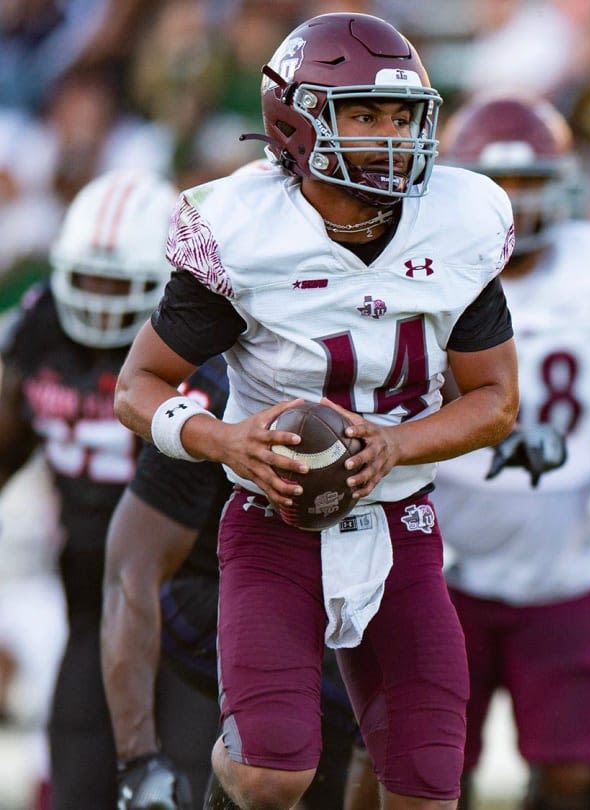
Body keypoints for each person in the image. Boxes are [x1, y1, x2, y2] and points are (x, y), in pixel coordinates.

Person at [112, 12, 520, 808]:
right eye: (364, 113)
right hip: (275, 521)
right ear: (294, 123)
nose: (391, 134)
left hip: (403, 525)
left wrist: (396, 448)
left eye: (402, 115)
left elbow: (497, 400)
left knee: (429, 787)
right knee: (272, 771)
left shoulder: (461, 221)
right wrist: (224, 439)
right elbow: (139, 386)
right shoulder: (245, 231)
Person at [428, 95, 590, 810]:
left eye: (532, 181)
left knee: (573, 771)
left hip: (568, 557)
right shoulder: (422, 269)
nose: (516, 203)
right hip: (444, 558)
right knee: (430, 771)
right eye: (499, 186)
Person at [0, 167, 221, 808]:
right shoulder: (39, 326)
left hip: (190, 594)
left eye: (117, 284)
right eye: (88, 280)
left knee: (185, 779)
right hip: (92, 592)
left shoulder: (197, 346)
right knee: (79, 776)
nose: (99, 300)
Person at [102, 351, 371, 810]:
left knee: (411, 729)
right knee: (285, 752)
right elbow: (133, 569)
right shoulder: (214, 390)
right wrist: (139, 758)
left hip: (336, 587)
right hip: (212, 592)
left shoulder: (391, 360)